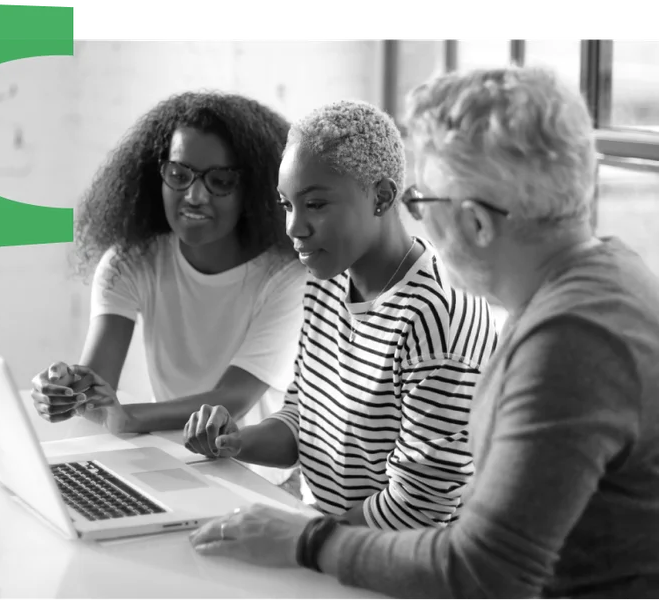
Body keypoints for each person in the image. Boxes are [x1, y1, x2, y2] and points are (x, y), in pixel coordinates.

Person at [187, 66, 659, 600]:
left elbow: (483, 572)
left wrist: (305, 541)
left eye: (422, 203)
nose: (419, 225)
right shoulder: (607, 279)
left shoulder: (569, 344)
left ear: (477, 223)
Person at [184, 99, 498, 530]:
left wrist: (298, 539)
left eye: (315, 204)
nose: (294, 227)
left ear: (382, 197)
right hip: (327, 537)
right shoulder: (326, 281)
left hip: (401, 566)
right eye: (287, 204)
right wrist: (235, 441)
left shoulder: (438, 318)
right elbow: (302, 421)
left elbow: (420, 508)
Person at [29, 91, 307, 489]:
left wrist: (126, 416)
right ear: (157, 174)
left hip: (259, 479)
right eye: (179, 175)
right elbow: (96, 386)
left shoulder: (286, 277)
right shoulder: (131, 261)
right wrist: (65, 391)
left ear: (252, 190)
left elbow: (234, 397)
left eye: (220, 181)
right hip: (174, 465)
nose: (194, 195)